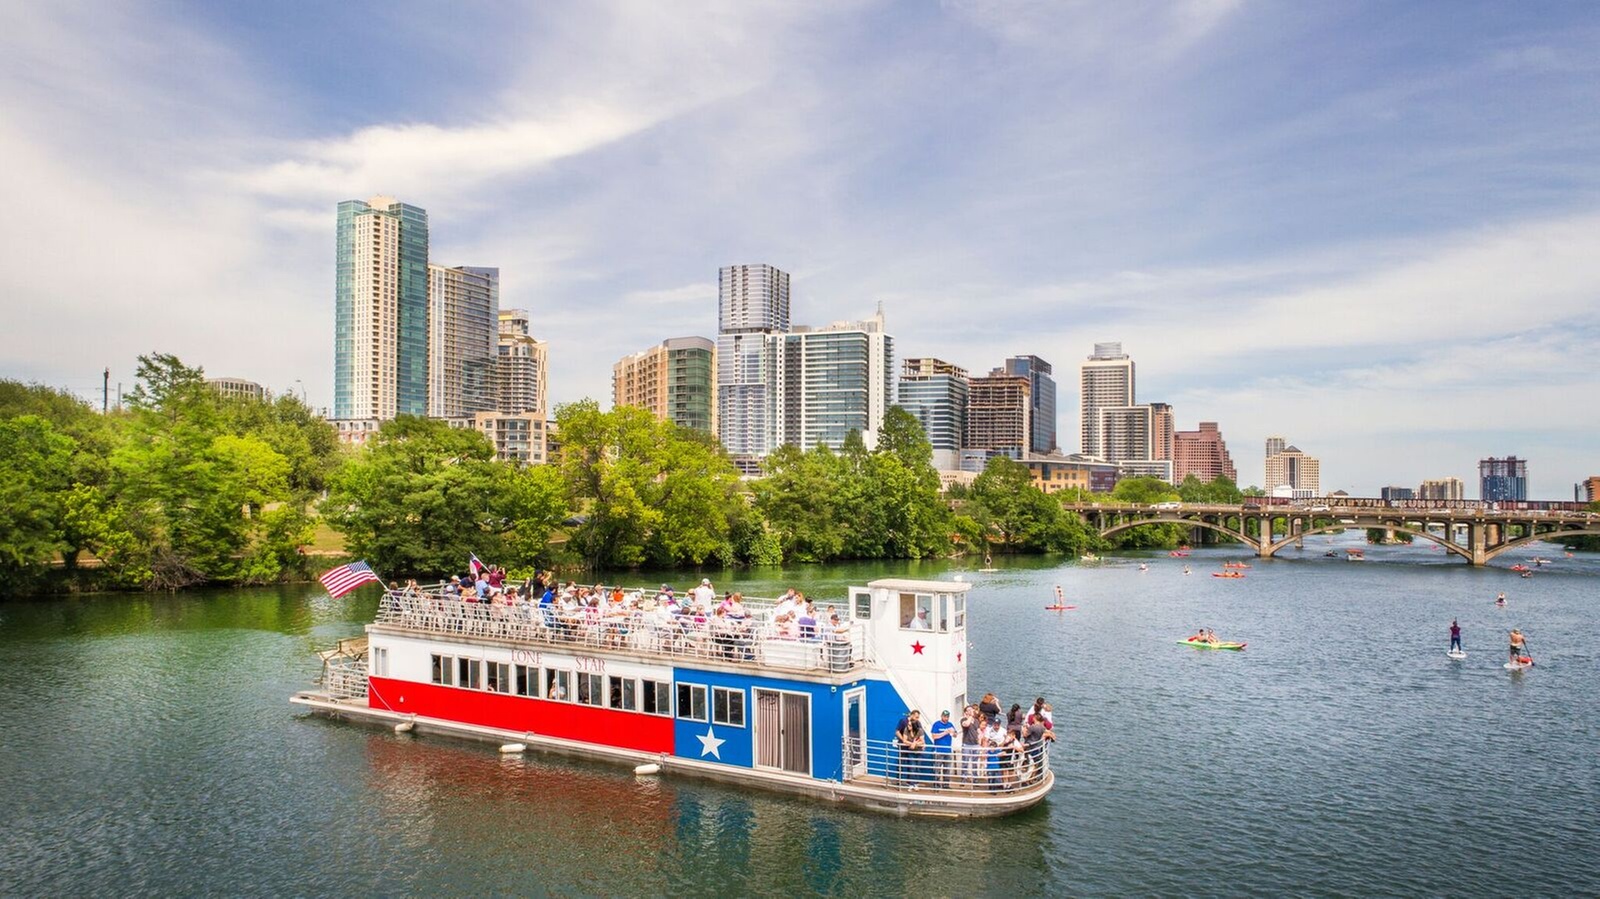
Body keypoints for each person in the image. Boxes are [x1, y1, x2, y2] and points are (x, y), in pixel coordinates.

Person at [895, 710, 926, 784]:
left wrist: (917, 743)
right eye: (916, 717)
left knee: (912, 765)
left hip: (913, 747)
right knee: (901, 763)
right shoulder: (903, 721)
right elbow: (897, 731)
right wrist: (903, 740)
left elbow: (921, 734)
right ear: (911, 715)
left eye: (918, 717)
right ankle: (899, 780)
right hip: (904, 746)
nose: (917, 719)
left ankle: (910, 782)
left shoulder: (918, 723)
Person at [928, 710, 957, 787]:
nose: (946, 718)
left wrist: (953, 732)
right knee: (937, 767)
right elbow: (934, 736)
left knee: (947, 768)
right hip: (939, 750)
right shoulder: (936, 724)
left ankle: (946, 784)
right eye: (944, 716)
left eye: (947, 717)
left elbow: (955, 735)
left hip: (948, 750)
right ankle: (936, 783)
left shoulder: (950, 724)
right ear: (941, 716)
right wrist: (945, 732)